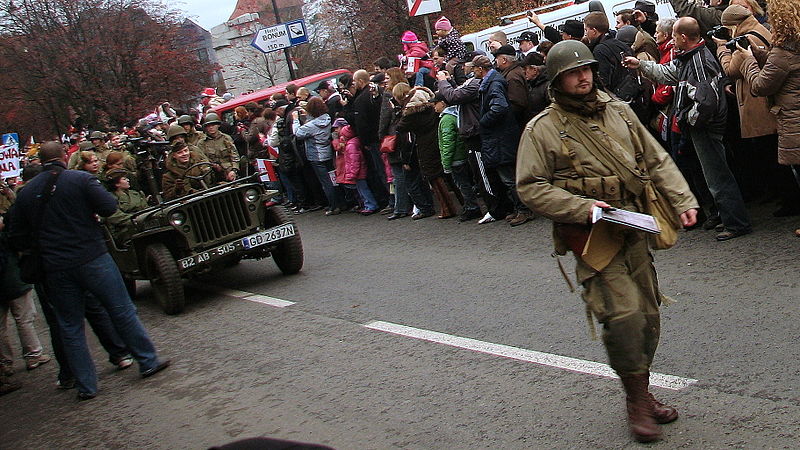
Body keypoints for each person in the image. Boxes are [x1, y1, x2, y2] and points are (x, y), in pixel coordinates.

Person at [516, 40, 698, 443]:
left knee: (648, 318)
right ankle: (636, 401)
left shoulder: (618, 110)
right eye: (573, 72)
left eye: (588, 70)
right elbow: (530, 187)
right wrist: (581, 207)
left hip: (634, 226)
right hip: (594, 236)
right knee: (623, 315)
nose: (584, 77)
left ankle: (643, 391)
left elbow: (655, 158)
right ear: (557, 79)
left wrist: (682, 199)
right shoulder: (542, 129)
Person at [7, 141, 170, 400]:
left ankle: (86, 385)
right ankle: (147, 360)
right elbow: (108, 207)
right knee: (121, 310)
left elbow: (15, 234)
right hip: (92, 256)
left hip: (55, 267)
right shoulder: (80, 180)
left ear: (40, 160)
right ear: (63, 156)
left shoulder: (26, 194)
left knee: (69, 326)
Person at [626, 17, 752, 240]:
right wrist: (642, 65)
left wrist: (688, 121)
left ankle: (736, 223)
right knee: (714, 174)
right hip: (701, 127)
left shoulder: (698, 62)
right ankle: (729, 218)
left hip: (705, 128)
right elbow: (668, 74)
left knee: (717, 176)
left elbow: (706, 103)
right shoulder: (688, 58)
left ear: (684, 37)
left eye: (674, 35)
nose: (672, 40)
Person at [714, 5, 795, 213]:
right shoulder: (763, 33)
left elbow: (733, 70)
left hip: (766, 105)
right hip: (776, 105)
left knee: (776, 156)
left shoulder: (752, 42)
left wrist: (723, 48)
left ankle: (789, 200)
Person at [739, 0, 800, 233]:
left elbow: (762, 86)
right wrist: (762, 55)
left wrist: (748, 62)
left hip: (794, 117)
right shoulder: (791, 47)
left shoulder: (785, 51)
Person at [470, 55, 530, 227]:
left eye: (474, 68)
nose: (473, 71)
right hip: (500, 135)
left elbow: (500, 107)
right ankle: (520, 209)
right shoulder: (493, 81)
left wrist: (483, 121)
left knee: (509, 177)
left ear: (480, 69)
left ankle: (524, 210)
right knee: (508, 175)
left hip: (500, 136)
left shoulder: (493, 84)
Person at [397, 86, 456, 220]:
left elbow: (400, 126)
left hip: (425, 146)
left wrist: (405, 110)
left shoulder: (413, 115)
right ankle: (460, 204)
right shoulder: (431, 110)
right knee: (447, 176)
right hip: (436, 141)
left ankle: (447, 208)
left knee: (434, 177)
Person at [432, 92, 481, 222]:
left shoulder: (446, 119)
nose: (433, 106)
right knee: (465, 183)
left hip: (455, 158)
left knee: (462, 184)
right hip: (460, 155)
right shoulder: (454, 115)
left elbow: (448, 142)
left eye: (435, 103)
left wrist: (446, 163)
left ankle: (471, 207)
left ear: (442, 103)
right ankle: (471, 206)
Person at [292, 97, 345, 216]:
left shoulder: (311, 126)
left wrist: (295, 120)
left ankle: (333, 206)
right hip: (327, 152)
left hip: (316, 156)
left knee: (326, 183)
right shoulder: (327, 118)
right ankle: (342, 202)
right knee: (334, 180)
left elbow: (298, 133)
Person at [334, 123, 379, 214]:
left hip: (358, 173)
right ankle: (367, 205)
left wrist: (352, 173)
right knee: (361, 189)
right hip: (357, 172)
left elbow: (355, 161)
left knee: (363, 189)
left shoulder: (351, 146)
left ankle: (371, 205)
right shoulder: (352, 143)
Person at [493, 45, 533, 130]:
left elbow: (517, 103)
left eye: (497, 58)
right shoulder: (513, 72)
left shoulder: (512, 76)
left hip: (518, 124)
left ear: (504, 60)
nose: (496, 60)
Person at [197, 112, 238, 183]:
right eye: (208, 126)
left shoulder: (226, 138)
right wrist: (213, 166)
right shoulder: (202, 143)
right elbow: (202, 160)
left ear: (218, 125)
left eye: (213, 125)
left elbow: (234, 156)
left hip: (228, 170)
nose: (211, 127)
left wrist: (234, 170)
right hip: (212, 174)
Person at [521, 52, 550, 118]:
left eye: (525, 69)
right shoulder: (531, 84)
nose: (523, 72)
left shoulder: (548, 86)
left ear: (534, 70)